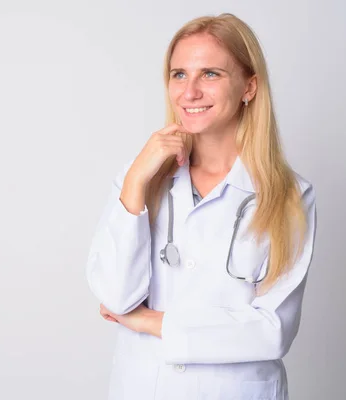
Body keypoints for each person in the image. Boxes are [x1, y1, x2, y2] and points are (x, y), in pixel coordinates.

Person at [85, 13, 317, 400]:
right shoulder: (140, 178)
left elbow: (270, 331)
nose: (189, 92)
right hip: (143, 387)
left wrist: (150, 322)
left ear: (249, 86)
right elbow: (115, 295)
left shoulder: (289, 195)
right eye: (179, 74)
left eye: (210, 73)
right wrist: (136, 181)